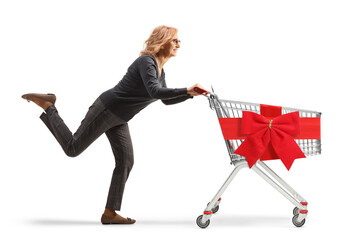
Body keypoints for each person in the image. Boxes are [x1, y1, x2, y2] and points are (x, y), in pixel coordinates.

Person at [22, 25, 203, 224]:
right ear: (162, 41)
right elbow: (154, 92)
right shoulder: (146, 62)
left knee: (126, 161)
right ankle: (49, 106)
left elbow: (166, 99)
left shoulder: (160, 71)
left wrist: (190, 94)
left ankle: (109, 213)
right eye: (175, 40)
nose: (179, 43)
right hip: (108, 109)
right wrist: (187, 89)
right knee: (72, 148)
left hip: (121, 117)